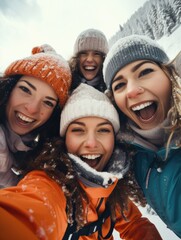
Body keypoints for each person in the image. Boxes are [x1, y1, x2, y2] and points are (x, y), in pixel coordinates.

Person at [0, 84, 162, 240]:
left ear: (114, 140)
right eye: (78, 130)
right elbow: (26, 215)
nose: (91, 143)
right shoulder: (50, 183)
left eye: (103, 130)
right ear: (64, 139)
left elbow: (133, 224)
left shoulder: (112, 184)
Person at [103, 34, 181, 237]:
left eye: (145, 71)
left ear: (169, 74)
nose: (132, 91)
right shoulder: (129, 157)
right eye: (119, 85)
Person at [0, 44, 72, 188]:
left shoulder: (31, 151)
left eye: (48, 102)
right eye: (25, 90)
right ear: (9, 87)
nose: (32, 109)